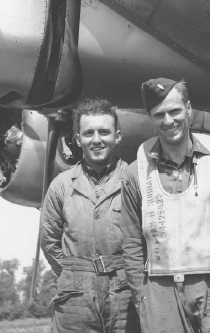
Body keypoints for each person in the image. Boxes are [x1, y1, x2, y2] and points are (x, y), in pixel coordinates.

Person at [121, 78, 210, 333]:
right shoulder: (134, 173)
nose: (169, 121)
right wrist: (142, 294)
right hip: (161, 289)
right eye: (159, 114)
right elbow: (131, 242)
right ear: (151, 118)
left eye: (175, 111)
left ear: (188, 109)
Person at [40, 98, 140, 333]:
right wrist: (74, 273)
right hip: (75, 298)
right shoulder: (61, 186)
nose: (96, 140)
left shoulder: (136, 180)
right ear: (77, 139)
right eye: (88, 133)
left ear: (117, 136)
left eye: (104, 132)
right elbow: (49, 241)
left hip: (126, 294)